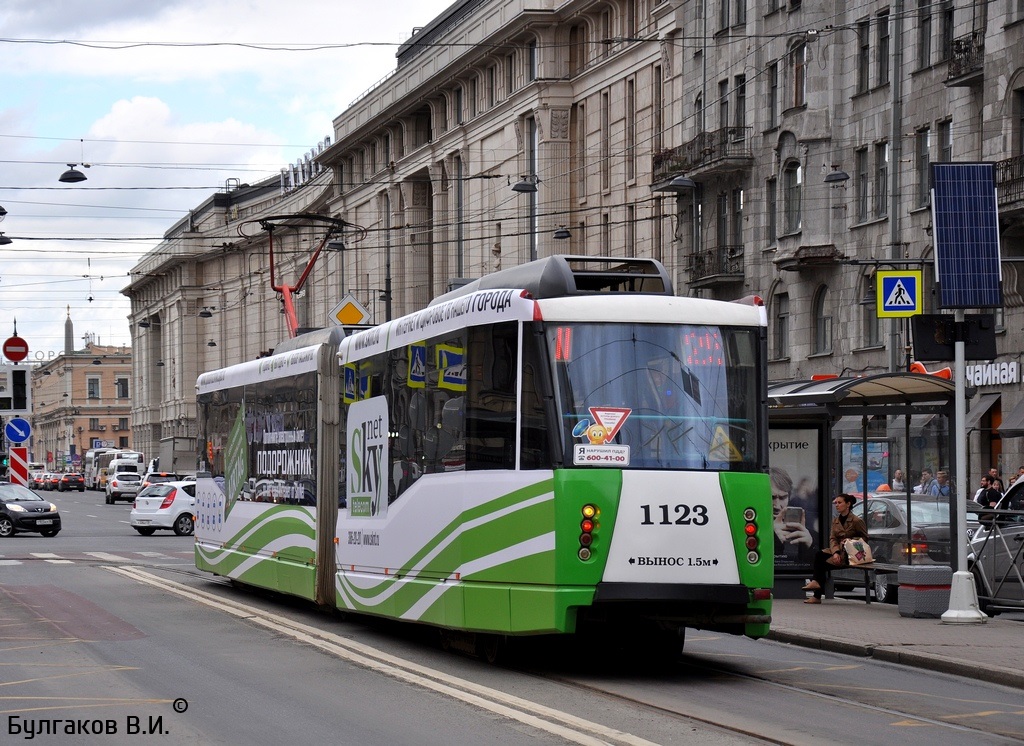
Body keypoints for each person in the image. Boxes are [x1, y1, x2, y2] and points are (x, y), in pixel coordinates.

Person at [802, 493, 869, 604]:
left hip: (852, 555)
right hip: (840, 553)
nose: (837, 505)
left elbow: (865, 538)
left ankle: (816, 592)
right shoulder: (836, 520)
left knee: (821, 564)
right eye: (835, 503)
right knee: (819, 555)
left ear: (848, 504)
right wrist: (836, 553)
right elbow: (833, 539)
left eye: (839, 502)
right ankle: (816, 588)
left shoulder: (856, 521)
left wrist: (850, 540)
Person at [770, 466, 813, 562]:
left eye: (782, 498)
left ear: (789, 497)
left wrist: (810, 546)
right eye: (772, 498)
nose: (777, 506)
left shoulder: (806, 533)